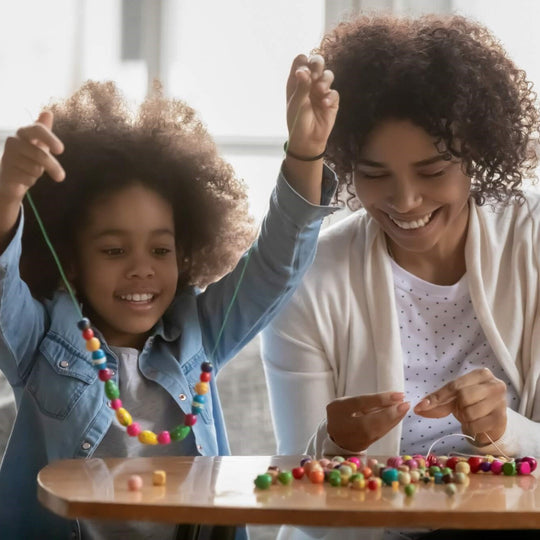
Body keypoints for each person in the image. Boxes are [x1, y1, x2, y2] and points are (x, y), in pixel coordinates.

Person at [0, 55, 339, 539]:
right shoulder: (40, 343)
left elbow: (275, 266)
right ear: (71, 260)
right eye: (114, 249)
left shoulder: (201, 332)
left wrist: (305, 154)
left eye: (161, 248)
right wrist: (8, 194)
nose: (142, 267)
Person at [261, 13, 540, 540]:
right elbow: (298, 503)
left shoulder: (534, 240)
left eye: (433, 172)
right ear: (345, 164)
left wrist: (508, 433)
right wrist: (335, 447)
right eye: (374, 175)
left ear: (475, 153)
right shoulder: (310, 280)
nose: (406, 200)